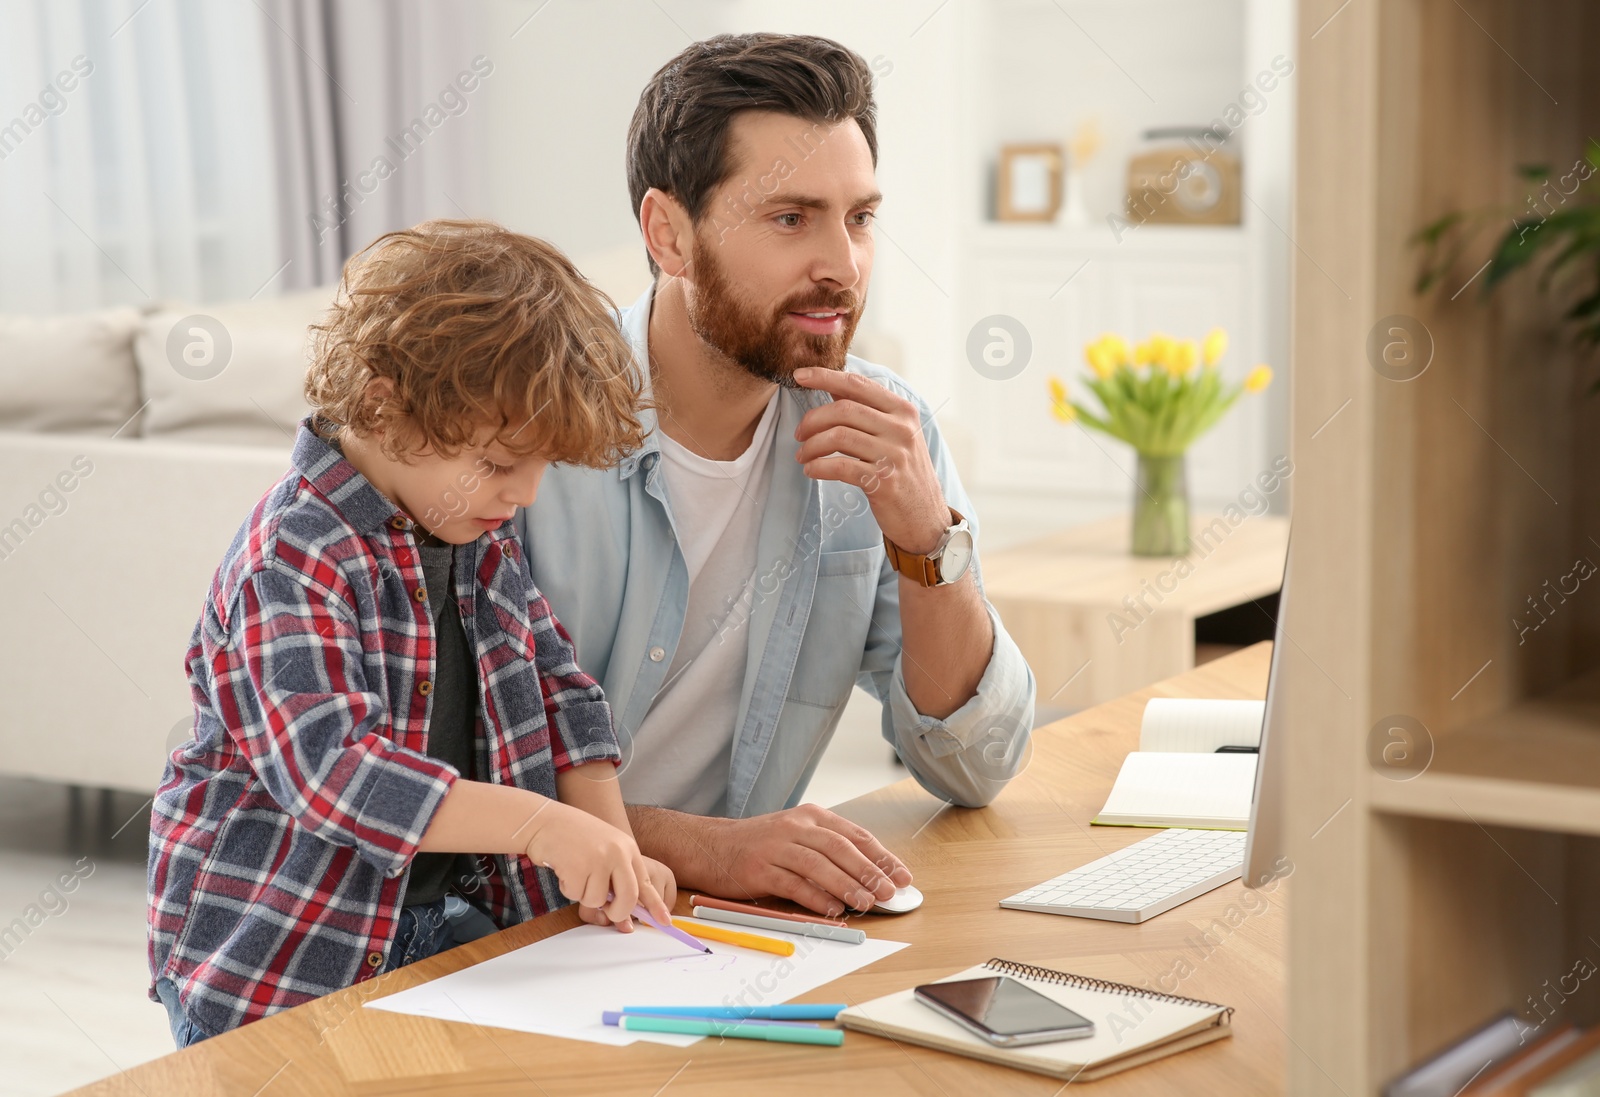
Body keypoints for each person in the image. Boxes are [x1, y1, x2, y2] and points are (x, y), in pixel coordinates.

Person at [519, 33, 1036, 920]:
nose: (843, 264)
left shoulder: (884, 428)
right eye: (791, 218)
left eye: (861, 217)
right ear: (668, 234)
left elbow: (972, 766)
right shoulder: (521, 429)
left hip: (712, 933)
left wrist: (925, 539)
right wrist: (715, 849)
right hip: (510, 936)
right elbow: (446, 782)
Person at [146, 221, 674, 1047]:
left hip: (432, 927)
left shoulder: (472, 532)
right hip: (276, 967)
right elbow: (334, 771)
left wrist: (612, 841)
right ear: (386, 404)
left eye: (539, 467)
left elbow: (560, 688)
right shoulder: (291, 557)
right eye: (500, 464)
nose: (525, 493)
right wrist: (540, 825)